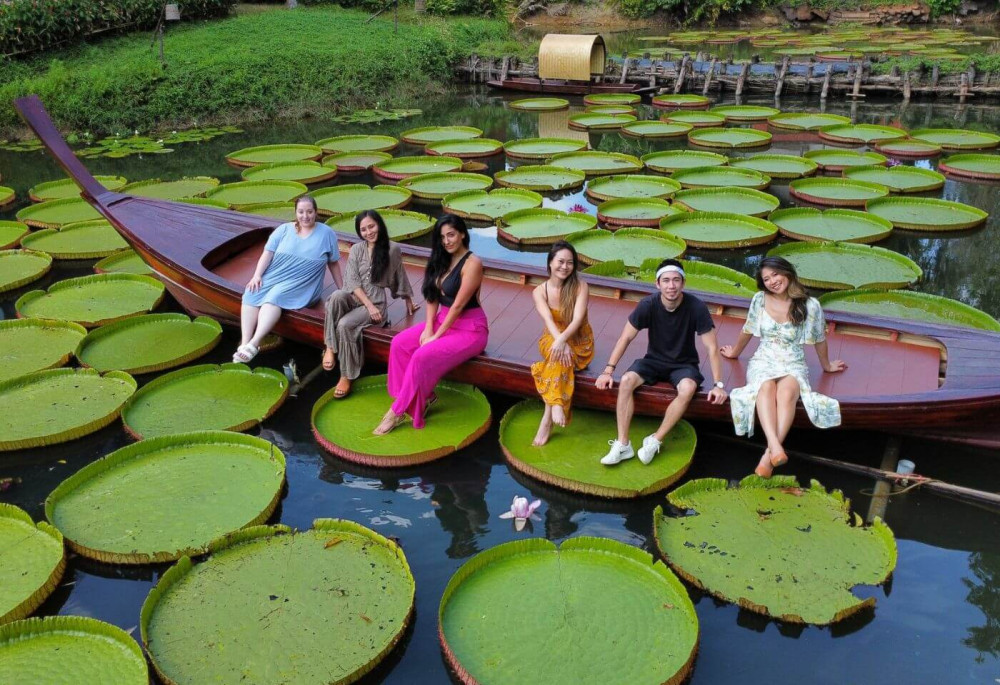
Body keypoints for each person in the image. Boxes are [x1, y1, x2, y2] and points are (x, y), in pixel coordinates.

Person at [721, 256, 846, 478]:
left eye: (775, 274)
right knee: (766, 387)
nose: (772, 281)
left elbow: (819, 338)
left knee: (787, 393)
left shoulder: (810, 305)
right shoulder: (760, 299)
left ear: (787, 273)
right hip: (764, 359)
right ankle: (774, 447)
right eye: (766, 279)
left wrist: (827, 366)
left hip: (793, 361)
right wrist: (734, 353)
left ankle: (767, 455)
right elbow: (748, 329)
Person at [596, 258, 728, 466]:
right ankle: (623, 444)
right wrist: (608, 370)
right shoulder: (648, 304)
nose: (671, 285)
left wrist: (719, 385)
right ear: (658, 284)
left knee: (688, 388)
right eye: (666, 280)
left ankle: (655, 439)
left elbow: (712, 347)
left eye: (676, 280)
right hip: (654, 360)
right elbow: (625, 338)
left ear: (683, 283)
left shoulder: (697, 307)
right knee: (628, 380)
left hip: (684, 364)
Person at [373, 214, 489, 435]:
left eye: (451, 235)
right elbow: (431, 296)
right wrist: (428, 328)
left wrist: (435, 337)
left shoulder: (473, 263)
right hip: (440, 320)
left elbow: (457, 307)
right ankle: (422, 398)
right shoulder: (440, 257)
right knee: (399, 344)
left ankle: (395, 413)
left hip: (470, 329)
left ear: (462, 234)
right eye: (442, 237)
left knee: (421, 355)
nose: (447, 241)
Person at [322, 210, 419, 398]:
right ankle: (330, 347)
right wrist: (368, 305)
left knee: (344, 324)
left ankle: (346, 375)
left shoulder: (392, 249)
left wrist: (408, 299)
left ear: (379, 225)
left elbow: (399, 274)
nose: (368, 232)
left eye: (371, 226)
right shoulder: (357, 249)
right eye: (363, 229)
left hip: (377, 303)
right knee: (336, 296)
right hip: (357, 298)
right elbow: (351, 282)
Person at [236, 195, 342, 363]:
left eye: (309, 212)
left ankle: (254, 344)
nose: (305, 216)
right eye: (301, 212)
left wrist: (341, 289)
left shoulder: (326, 233)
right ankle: (245, 341)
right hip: (275, 274)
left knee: (274, 297)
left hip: (304, 283)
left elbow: (334, 264)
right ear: (296, 213)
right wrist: (257, 275)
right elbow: (267, 253)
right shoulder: (283, 229)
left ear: (316, 212)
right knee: (251, 293)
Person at [529, 241, 594, 446]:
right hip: (552, 338)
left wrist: (564, 341)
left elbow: (576, 320)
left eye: (569, 263)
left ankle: (548, 415)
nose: (564, 267)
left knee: (557, 358)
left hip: (579, 341)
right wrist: (560, 341)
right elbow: (548, 320)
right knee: (559, 355)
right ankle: (555, 406)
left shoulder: (580, 286)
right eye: (560, 262)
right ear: (550, 263)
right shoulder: (540, 291)